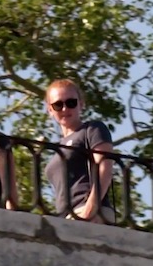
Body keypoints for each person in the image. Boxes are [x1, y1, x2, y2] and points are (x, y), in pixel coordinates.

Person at [44, 79, 115, 224]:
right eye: (58, 105)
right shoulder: (58, 148)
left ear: (81, 104)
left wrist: (89, 211)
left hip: (89, 212)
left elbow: (105, 169)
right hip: (66, 217)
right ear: (50, 110)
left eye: (71, 103)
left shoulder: (92, 129)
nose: (64, 109)